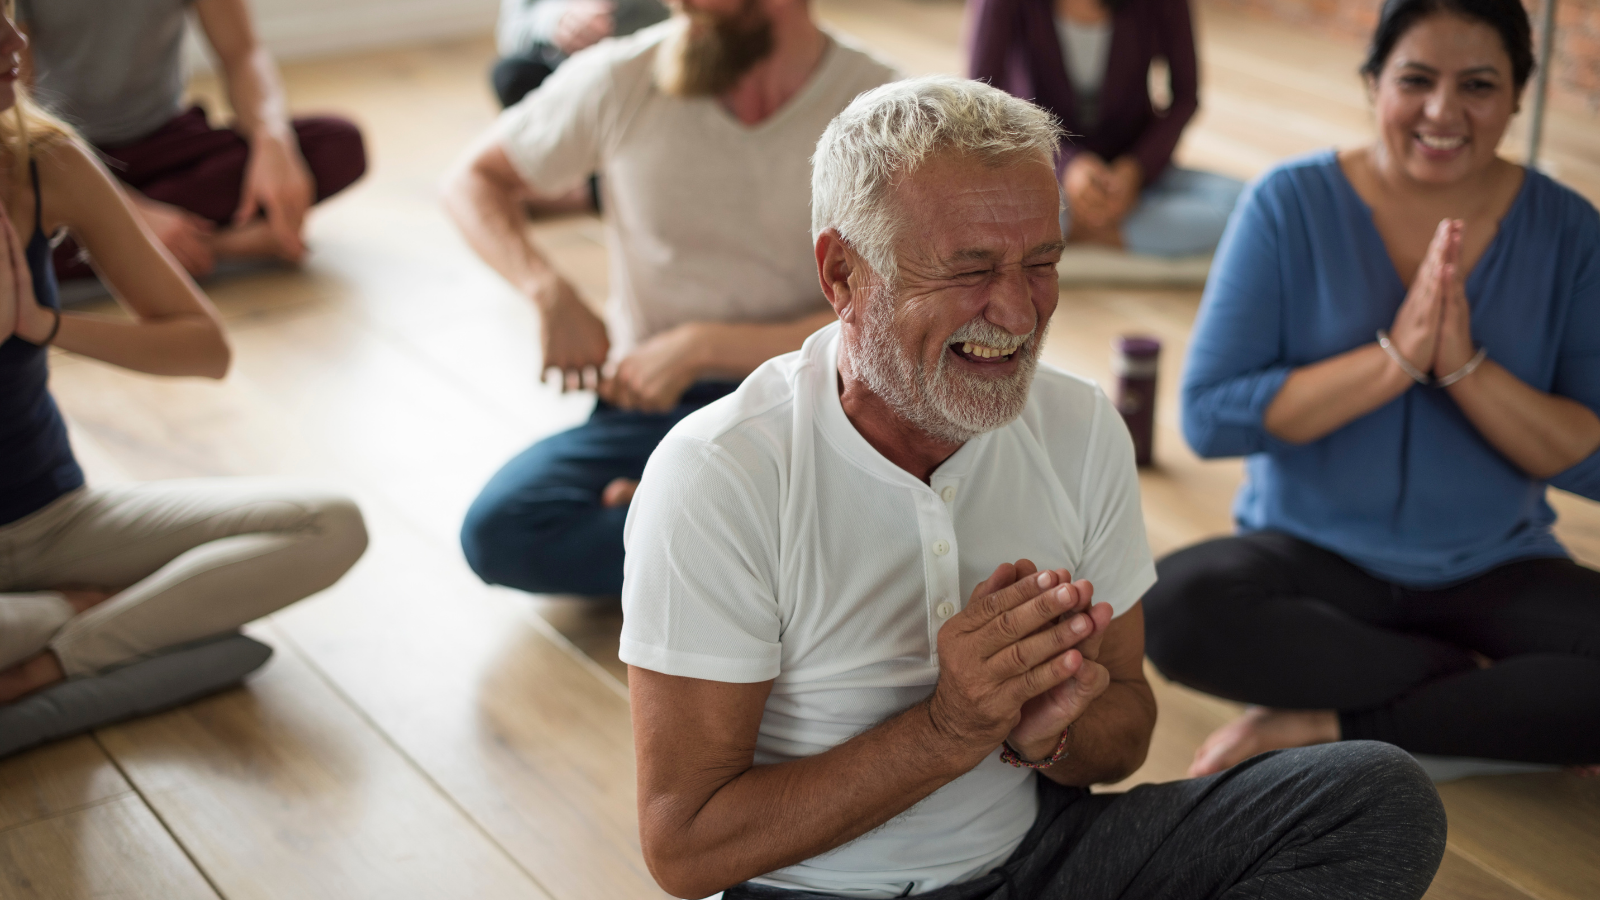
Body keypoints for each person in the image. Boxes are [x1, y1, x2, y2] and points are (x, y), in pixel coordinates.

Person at [620, 76, 1447, 900]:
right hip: (821, 893)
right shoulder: (720, 473)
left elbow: (1126, 730)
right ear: (843, 274)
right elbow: (686, 849)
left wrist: (1047, 732)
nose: (1017, 313)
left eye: (1043, 261)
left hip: (1044, 860)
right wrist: (947, 729)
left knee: (1378, 798)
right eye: (971, 269)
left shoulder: (1080, 426)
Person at [1143, 0, 1600, 778]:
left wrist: (1464, 368)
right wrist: (1394, 360)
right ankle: (1486, 696)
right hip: (1310, 559)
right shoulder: (1287, 204)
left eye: (1479, 85)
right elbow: (1210, 418)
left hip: (1493, 566)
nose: (1442, 111)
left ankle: (1329, 717)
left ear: (1520, 95)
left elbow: (1592, 456)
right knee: (1174, 608)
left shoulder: (1569, 230)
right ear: (1372, 83)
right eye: (1415, 79)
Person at [444, 0, 898, 596]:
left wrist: (703, 345)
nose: (680, 7)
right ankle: (749, 538)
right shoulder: (622, 76)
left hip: (823, 405)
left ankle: (685, 525)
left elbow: (894, 309)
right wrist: (547, 289)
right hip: (654, 403)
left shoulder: (882, 106)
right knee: (501, 532)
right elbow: (472, 179)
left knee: (929, 501)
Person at [0, 10, 367, 722]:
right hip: (58, 565)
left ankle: (54, 655)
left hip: (56, 522)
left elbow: (205, 347)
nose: (15, 45)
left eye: (9, 21)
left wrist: (41, 325)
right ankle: (85, 614)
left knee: (332, 525)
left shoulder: (46, 160)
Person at [19, 0, 367, 280]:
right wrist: (131, 214)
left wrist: (273, 138)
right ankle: (218, 246)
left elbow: (243, 53)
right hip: (59, 158)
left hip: (166, 142)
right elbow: (23, 116)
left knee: (338, 143)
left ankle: (138, 248)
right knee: (12, 234)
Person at [967, 0, 1242, 259]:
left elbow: (1184, 97)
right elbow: (983, 101)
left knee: (1247, 203)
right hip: (1039, 167)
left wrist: (1136, 169)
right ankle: (1118, 231)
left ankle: (1074, 232)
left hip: (1131, 166)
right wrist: (1066, 165)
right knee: (976, 208)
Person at [493, 0, 669, 109]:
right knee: (509, 75)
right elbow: (510, 30)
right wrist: (554, 21)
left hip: (651, 67)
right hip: (565, 73)